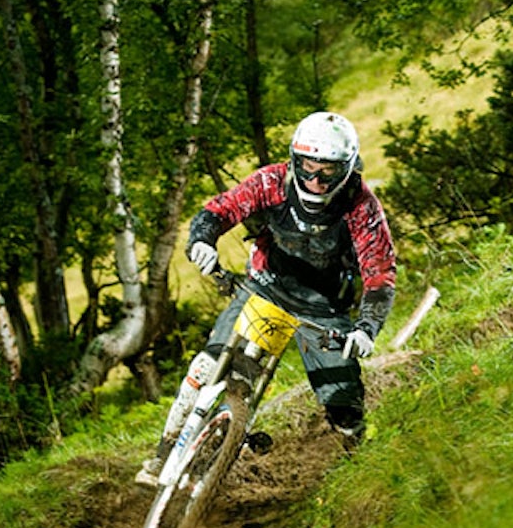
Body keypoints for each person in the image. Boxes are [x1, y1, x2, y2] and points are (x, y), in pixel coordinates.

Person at [136, 111, 396, 486]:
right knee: (206, 368)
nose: (315, 181)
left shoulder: (362, 207)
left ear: (348, 169)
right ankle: (163, 454)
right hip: (265, 288)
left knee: (344, 402)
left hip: (324, 310)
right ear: (294, 160)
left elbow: (380, 272)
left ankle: (366, 471)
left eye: (328, 172)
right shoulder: (273, 181)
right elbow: (220, 209)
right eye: (307, 168)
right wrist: (202, 241)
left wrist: (367, 329)